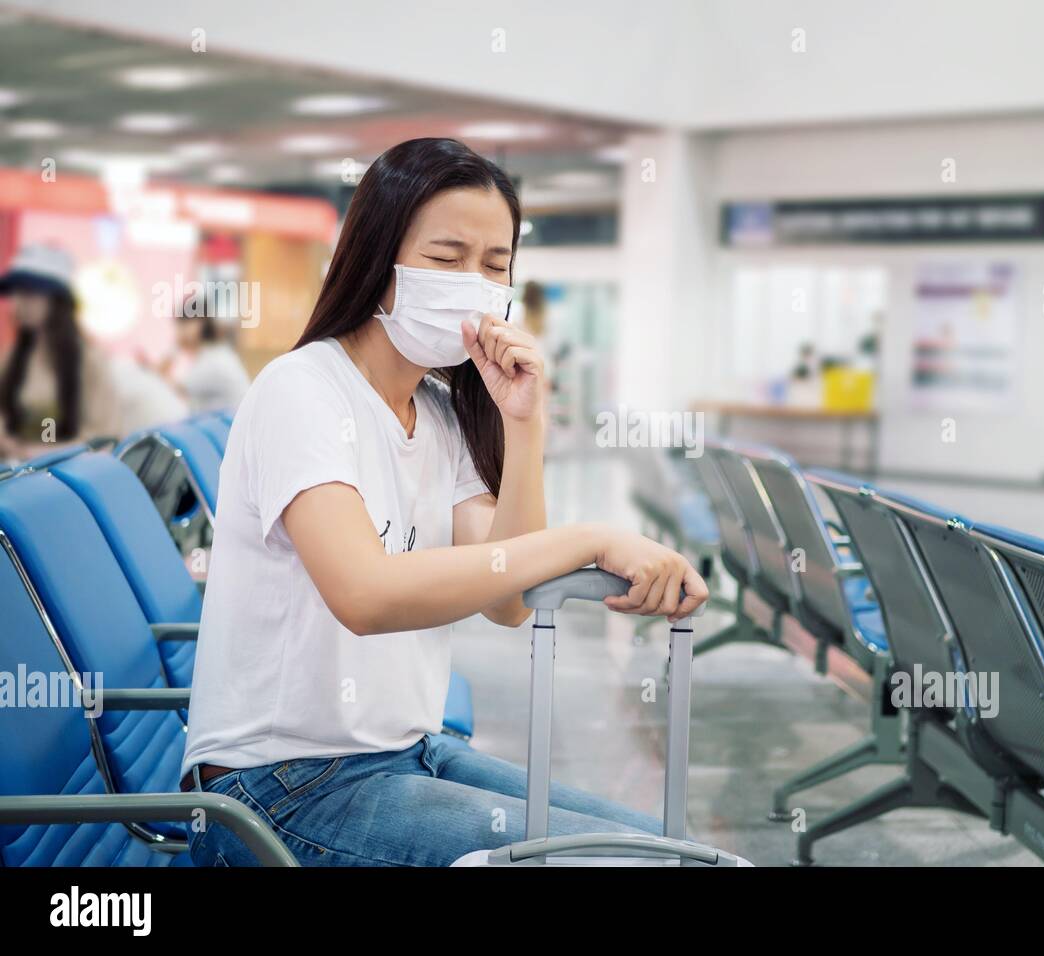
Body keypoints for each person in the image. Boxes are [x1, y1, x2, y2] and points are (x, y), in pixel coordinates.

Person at [181, 137, 707, 867]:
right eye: (446, 257)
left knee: (662, 851)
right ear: (378, 260)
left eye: (495, 266)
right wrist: (589, 539)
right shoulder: (301, 391)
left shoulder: (436, 410)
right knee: (616, 864)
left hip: (407, 752)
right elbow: (364, 595)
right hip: (278, 790)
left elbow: (509, 600)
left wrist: (523, 427)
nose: (474, 283)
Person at [0, 244, 122, 461]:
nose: (19, 302)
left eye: (30, 293)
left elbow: (106, 437)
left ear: (58, 300)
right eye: (17, 293)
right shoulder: (13, 356)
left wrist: (42, 452)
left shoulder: (88, 361)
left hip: (67, 480)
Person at [162, 307, 251, 413]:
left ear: (198, 325)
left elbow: (174, 387)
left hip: (230, 423)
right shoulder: (215, 352)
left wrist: (175, 348)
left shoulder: (213, 359)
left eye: (182, 326)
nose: (178, 332)